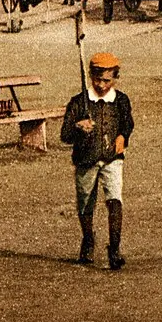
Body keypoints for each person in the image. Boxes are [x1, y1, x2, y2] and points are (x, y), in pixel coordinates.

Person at [61, 52, 133, 269]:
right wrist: (77, 127)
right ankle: (88, 239)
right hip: (86, 159)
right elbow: (64, 135)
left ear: (115, 78)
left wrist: (123, 137)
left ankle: (115, 248)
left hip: (112, 158)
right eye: (97, 79)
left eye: (107, 80)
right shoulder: (78, 102)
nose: (102, 85)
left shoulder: (121, 100)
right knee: (85, 202)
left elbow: (128, 124)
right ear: (90, 76)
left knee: (114, 199)